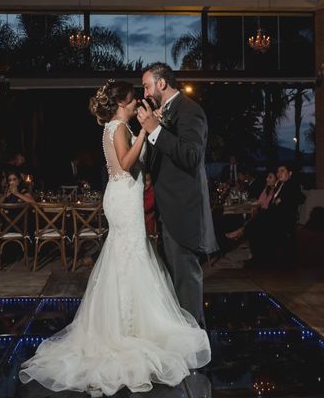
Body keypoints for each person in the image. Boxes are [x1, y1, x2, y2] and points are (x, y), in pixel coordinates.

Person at [20, 80, 210, 396]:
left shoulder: (116, 125)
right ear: (122, 101)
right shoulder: (119, 127)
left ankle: (129, 323)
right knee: (131, 255)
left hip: (125, 195)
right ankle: (127, 328)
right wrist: (147, 134)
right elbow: (124, 163)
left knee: (129, 256)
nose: (137, 99)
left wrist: (148, 132)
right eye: (133, 96)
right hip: (123, 197)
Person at [137, 62, 218, 328]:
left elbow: (192, 156)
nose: (145, 91)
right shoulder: (163, 113)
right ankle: (181, 335)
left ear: (161, 83)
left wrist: (156, 130)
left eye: (147, 85)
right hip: (165, 208)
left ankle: (195, 340)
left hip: (182, 209)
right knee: (173, 277)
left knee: (186, 277)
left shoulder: (190, 110)